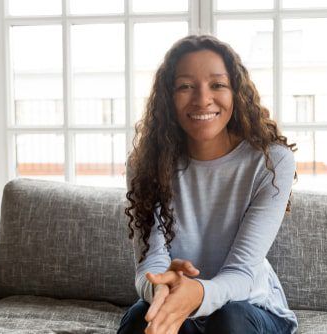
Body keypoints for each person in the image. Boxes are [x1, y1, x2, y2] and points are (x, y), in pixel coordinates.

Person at [118, 34, 298, 334]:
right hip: (176, 296)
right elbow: (150, 264)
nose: (202, 99)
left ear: (236, 93)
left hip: (249, 305)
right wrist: (161, 289)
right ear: (168, 98)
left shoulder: (271, 161)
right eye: (185, 86)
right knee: (142, 319)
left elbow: (241, 273)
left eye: (217, 84)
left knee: (228, 322)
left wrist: (197, 294)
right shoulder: (145, 163)